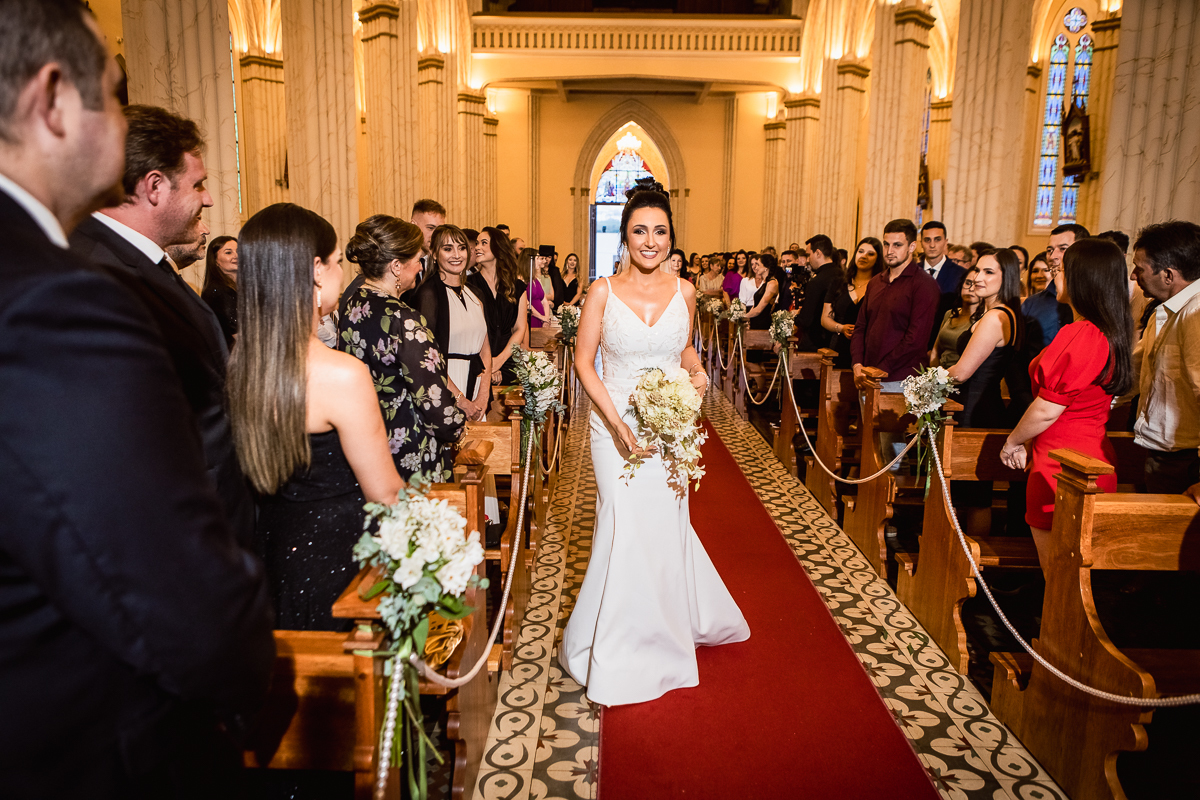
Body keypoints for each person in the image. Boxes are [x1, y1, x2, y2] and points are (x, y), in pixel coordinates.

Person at [0, 2, 274, 795]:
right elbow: (172, 590)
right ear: (54, 99)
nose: (125, 125)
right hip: (76, 746)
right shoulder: (54, 298)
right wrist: (252, 682)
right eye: (115, 95)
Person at [559, 178, 749, 706]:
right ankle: (616, 645)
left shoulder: (685, 291)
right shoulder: (602, 291)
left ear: (671, 238)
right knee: (622, 525)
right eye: (640, 230)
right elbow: (584, 363)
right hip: (613, 423)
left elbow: (681, 348)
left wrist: (697, 371)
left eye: (660, 231)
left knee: (665, 526)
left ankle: (663, 632)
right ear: (624, 235)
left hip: (670, 424)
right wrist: (616, 422)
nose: (650, 241)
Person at [70, 104, 255, 549]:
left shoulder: (141, 261)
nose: (208, 200)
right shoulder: (98, 274)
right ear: (154, 186)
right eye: (198, 184)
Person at [229, 203, 405, 630]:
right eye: (338, 262)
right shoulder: (340, 374)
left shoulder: (240, 365)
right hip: (339, 564)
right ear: (316, 270)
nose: (344, 273)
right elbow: (386, 495)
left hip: (270, 557)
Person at [1000, 238, 1133, 565]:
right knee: (1071, 574)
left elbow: (1047, 409)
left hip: (1062, 465)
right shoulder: (1108, 331)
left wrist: (1013, 442)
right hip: (1089, 455)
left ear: (1082, 279)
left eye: (1061, 270)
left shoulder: (1082, 333)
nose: (1053, 276)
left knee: (1059, 576)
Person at [339, 215, 466, 480]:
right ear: (396, 266)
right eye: (418, 259)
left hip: (367, 443)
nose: (420, 267)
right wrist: (458, 427)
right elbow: (431, 398)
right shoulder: (404, 319)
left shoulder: (353, 305)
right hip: (409, 447)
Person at [1127, 221, 1200, 498]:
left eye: (1140, 268)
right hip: (1166, 457)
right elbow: (1135, 373)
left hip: (1188, 462)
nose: (1133, 276)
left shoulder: (1195, 314)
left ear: (1168, 275)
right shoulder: (1164, 311)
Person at [850, 218, 941, 391]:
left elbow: (916, 339)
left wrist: (881, 369)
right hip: (866, 374)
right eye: (886, 244)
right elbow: (860, 326)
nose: (889, 251)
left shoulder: (924, 284)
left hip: (901, 378)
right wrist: (857, 363)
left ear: (912, 247)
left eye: (897, 245)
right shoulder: (876, 281)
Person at [413, 225, 492, 421]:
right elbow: (427, 355)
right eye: (448, 249)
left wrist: (483, 396)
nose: (457, 255)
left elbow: (485, 351)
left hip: (476, 383)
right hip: (445, 383)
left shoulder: (476, 293)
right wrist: (461, 400)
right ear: (434, 253)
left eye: (462, 248)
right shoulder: (428, 294)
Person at [342, 198, 445, 306]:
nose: (436, 235)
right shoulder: (370, 279)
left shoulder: (441, 266)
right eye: (431, 228)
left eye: (440, 230)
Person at [468, 226, 528, 386]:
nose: (477, 247)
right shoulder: (468, 285)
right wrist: (489, 365)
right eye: (477, 243)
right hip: (478, 361)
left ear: (498, 248)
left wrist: (499, 361)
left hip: (508, 361)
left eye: (484, 243)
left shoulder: (517, 287)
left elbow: (520, 329)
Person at [822, 237, 883, 368]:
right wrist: (841, 328)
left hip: (867, 349)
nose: (864, 256)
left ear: (878, 259)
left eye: (870, 254)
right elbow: (824, 318)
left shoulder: (881, 286)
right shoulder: (838, 282)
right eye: (860, 251)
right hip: (839, 347)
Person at [920, 221, 967, 349]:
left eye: (937, 239)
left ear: (945, 242)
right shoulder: (911, 271)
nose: (932, 245)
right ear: (921, 243)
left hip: (943, 342)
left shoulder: (961, 274)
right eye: (927, 240)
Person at [796, 234, 842, 350]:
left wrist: (795, 317)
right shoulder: (843, 275)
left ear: (818, 253)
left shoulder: (817, 281)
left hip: (815, 341)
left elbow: (806, 319)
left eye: (808, 255)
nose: (808, 260)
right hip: (837, 341)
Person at [929, 268, 980, 369]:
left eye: (976, 285)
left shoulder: (984, 319)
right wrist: (934, 374)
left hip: (962, 373)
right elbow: (935, 350)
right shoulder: (950, 313)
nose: (971, 289)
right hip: (939, 372)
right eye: (968, 283)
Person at [201, 235, 238, 348]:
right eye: (228, 252)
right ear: (215, 261)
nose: (236, 256)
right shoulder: (219, 290)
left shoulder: (242, 287)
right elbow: (238, 334)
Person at [744, 252, 780, 330]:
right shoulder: (765, 282)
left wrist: (742, 317)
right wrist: (748, 317)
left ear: (766, 268)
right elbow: (755, 306)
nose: (755, 267)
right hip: (756, 321)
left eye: (758, 265)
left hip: (763, 324)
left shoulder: (772, 284)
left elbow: (759, 309)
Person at [524, 246, 553, 328]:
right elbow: (526, 304)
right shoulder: (522, 280)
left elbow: (544, 301)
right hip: (531, 318)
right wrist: (542, 317)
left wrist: (546, 318)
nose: (542, 261)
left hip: (542, 320)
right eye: (538, 258)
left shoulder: (536, 280)